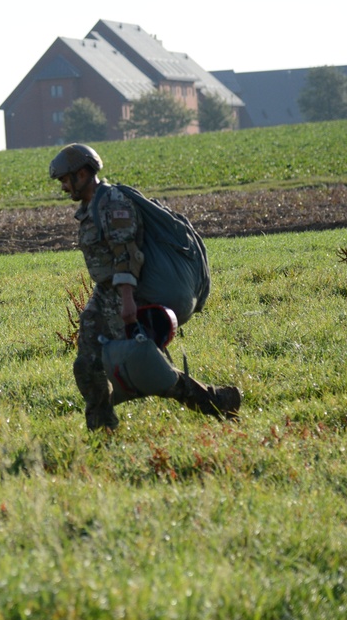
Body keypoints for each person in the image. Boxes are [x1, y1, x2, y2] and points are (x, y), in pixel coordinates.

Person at [49, 143, 242, 430]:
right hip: (105, 293)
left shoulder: (113, 202)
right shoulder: (89, 207)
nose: (64, 187)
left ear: (83, 173)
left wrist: (128, 301)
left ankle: (217, 401)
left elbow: (128, 254)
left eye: (66, 179)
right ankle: (102, 428)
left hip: (128, 294)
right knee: (86, 365)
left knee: (149, 371)